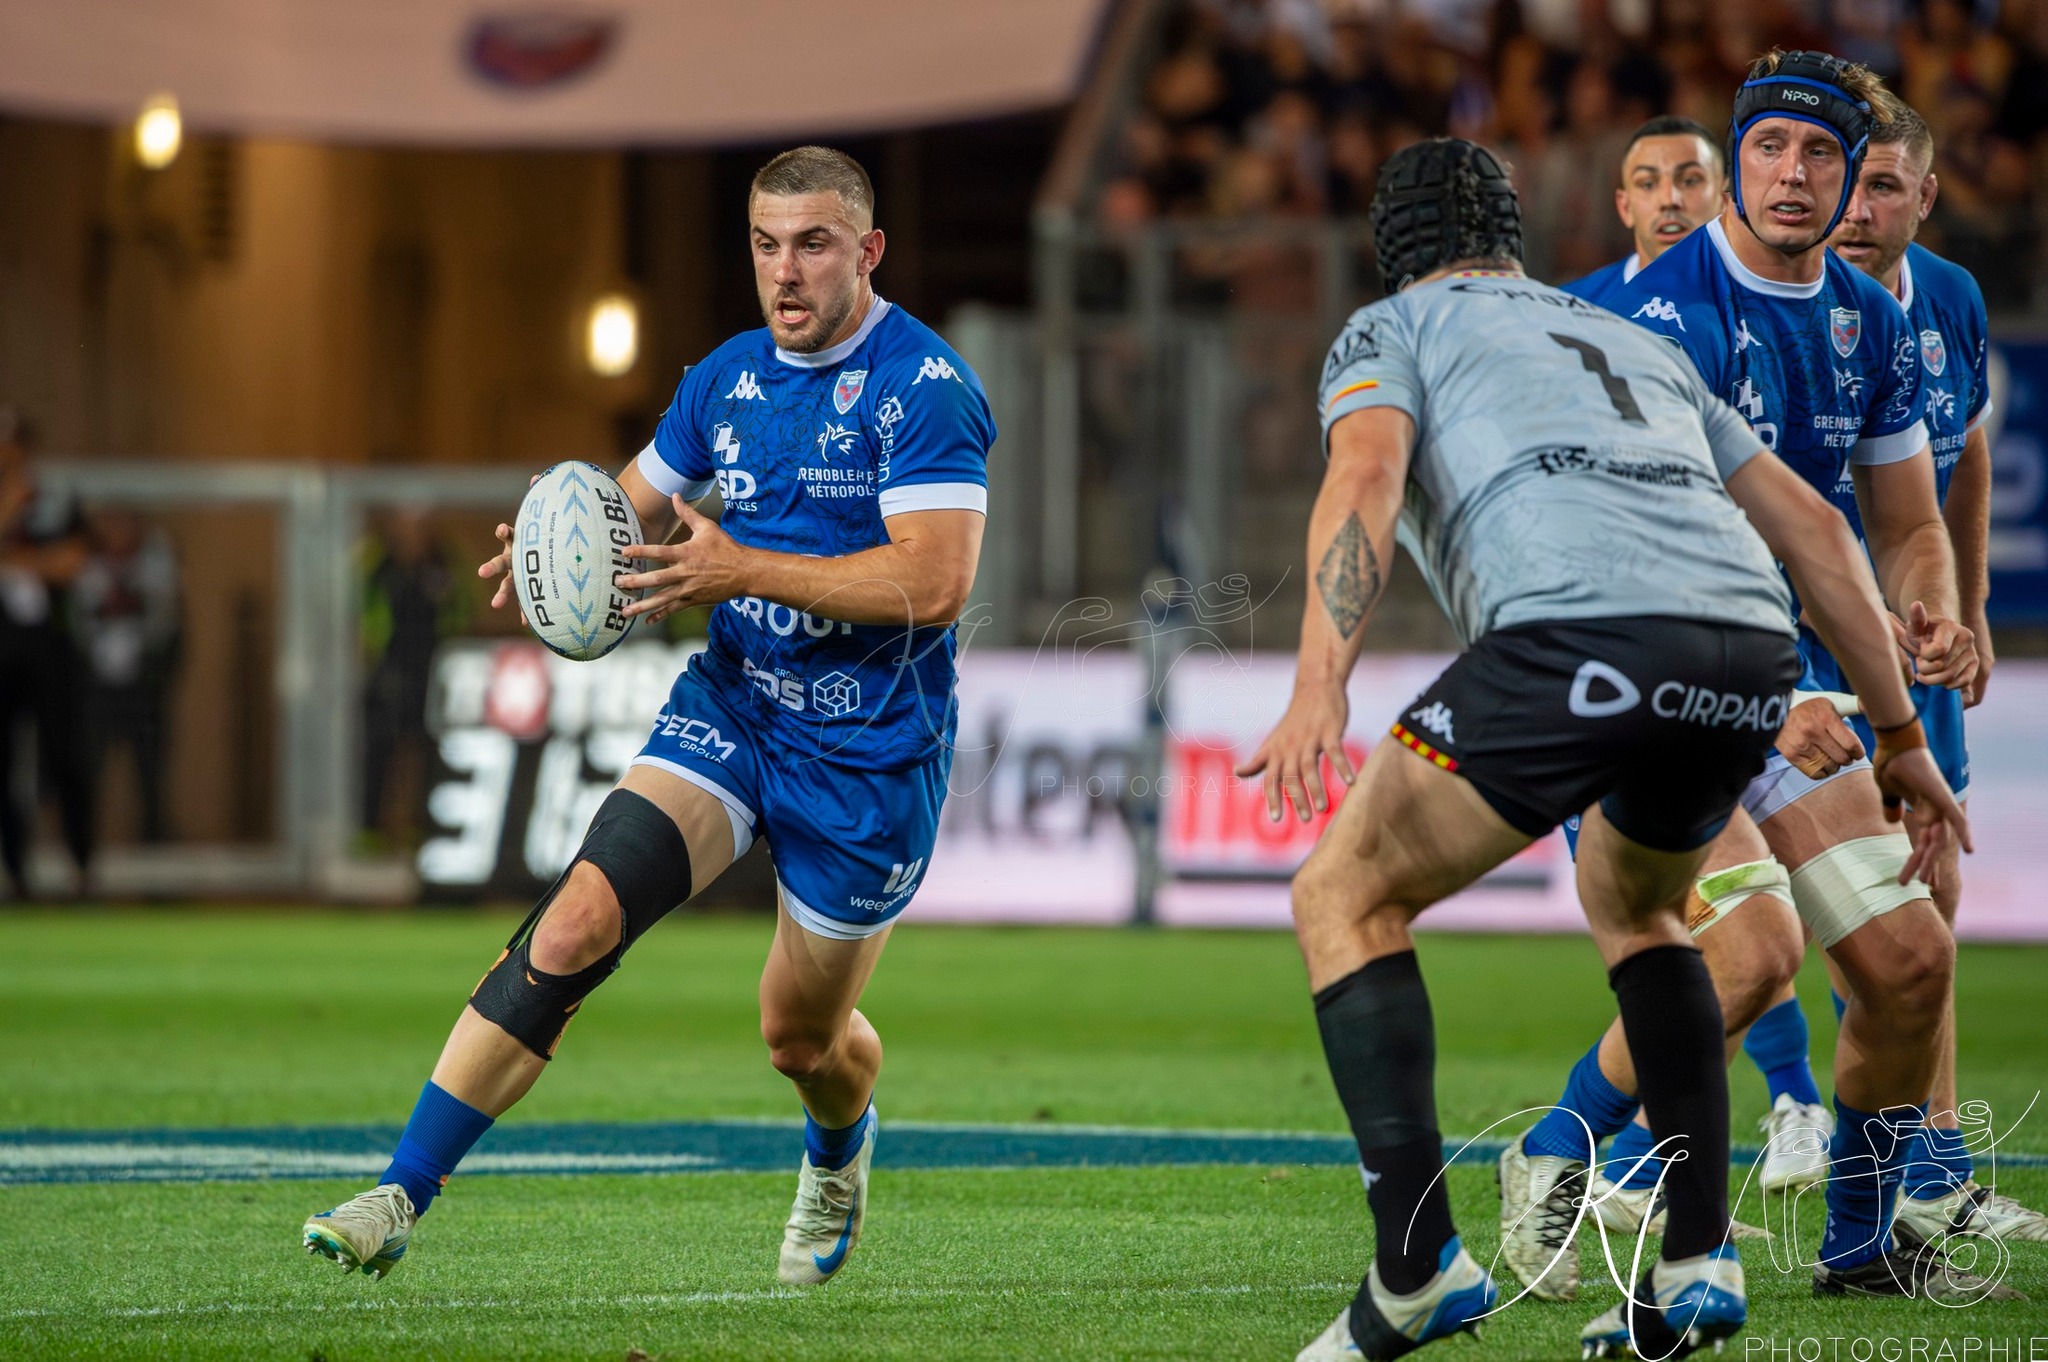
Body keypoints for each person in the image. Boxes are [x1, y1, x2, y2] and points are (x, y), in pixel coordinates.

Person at [1246, 137, 1967, 1362]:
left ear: (1387, 248)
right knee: (1639, 912)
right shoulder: (1636, 342)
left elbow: (1360, 483)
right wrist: (1899, 736)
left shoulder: (1387, 332)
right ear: (1510, 236)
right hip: (1745, 648)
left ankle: (1415, 1267)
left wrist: (1319, 680)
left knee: (1342, 893)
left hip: (1579, 639)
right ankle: (1693, 1263)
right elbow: (1818, 538)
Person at [300, 146, 993, 1288]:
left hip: (870, 755)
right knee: (572, 923)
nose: (786, 271)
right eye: (767, 244)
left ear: (868, 252)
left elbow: (935, 584)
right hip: (735, 711)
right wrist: (552, 549)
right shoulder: (722, 380)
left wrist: (744, 570)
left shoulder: (927, 389)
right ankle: (399, 1193)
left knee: (798, 1039)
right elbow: (631, 504)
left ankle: (838, 1144)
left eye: (814, 244)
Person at [1583, 50, 2012, 1302]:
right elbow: (1628, 550)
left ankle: (1864, 1239)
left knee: (1910, 961)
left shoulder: (1877, 321)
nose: (1791, 174)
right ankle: (1556, 1159)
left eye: (1819, 155)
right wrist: (1780, 692)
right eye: (1768, 147)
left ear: (1856, 182)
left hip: (1799, 683)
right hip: (1657, 678)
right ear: (1738, 162)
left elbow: (1903, 517)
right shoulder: (1656, 321)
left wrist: (1929, 598)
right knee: (1751, 954)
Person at [1826, 97, 2048, 1243]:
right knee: (1836, 902)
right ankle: (1611, 1141)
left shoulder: (1948, 301)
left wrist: (1962, 609)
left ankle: (1931, 1168)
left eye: (1881, 188)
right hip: (1804, 645)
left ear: (1924, 198)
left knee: (1929, 881)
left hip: (1909, 641)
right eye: (1842, 178)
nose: (1854, 209)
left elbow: (1953, 459)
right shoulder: (1795, 302)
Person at [0, 409, 93, 899]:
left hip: (49, 648)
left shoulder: (56, 500)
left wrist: (19, 559)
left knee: (66, 759)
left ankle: (80, 867)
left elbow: (70, 563)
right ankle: (15, 872)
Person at [72, 508, 182, 845]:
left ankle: (155, 864)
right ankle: (82, 858)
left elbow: (169, 629)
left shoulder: (156, 569)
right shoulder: (84, 569)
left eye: (125, 526)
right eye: (111, 527)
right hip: (96, 692)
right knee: (85, 778)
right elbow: (75, 627)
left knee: (151, 781)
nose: (118, 535)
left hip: (142, 691)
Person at [1562, 116, 1726, 308]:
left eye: (1689, 181)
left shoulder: (1763, 309)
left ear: (1725, 199)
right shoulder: (1571, 308)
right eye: (1648, 184)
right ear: (1625, 208)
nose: (1669, 200)